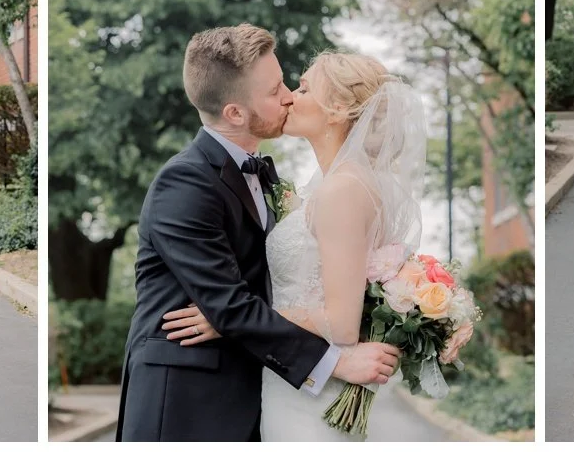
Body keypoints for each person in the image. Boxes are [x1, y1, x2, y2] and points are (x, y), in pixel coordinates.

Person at [117, 25, 402, 441]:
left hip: (261, 394)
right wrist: (336, 362)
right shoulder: (185, 183)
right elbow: (229, 306)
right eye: (275, 91)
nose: (288, 95)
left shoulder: (273, 178)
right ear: (235, 112)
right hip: (186, 407)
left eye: (289, 83)